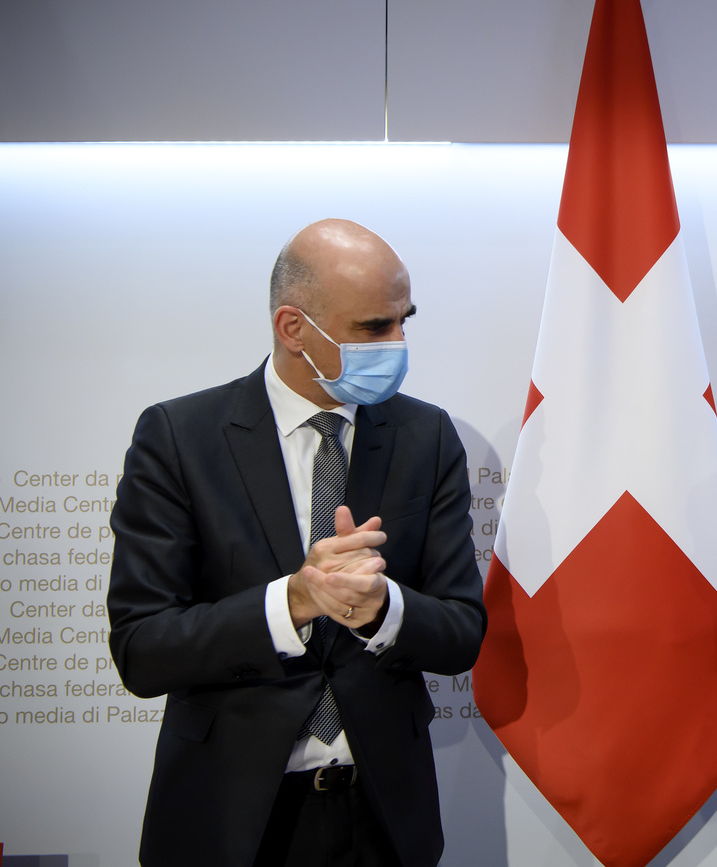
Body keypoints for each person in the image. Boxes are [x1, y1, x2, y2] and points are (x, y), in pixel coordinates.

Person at [108, 219, 486, 867]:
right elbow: (143, 649)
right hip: (229, 820)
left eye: (404, 319)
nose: (397, 342)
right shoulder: (179, 436)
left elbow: (460, 632)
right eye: (374, 327)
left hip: (386, 819)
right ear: (293, 328)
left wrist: (381, 606)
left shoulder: (426, 437)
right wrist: (294, 600)